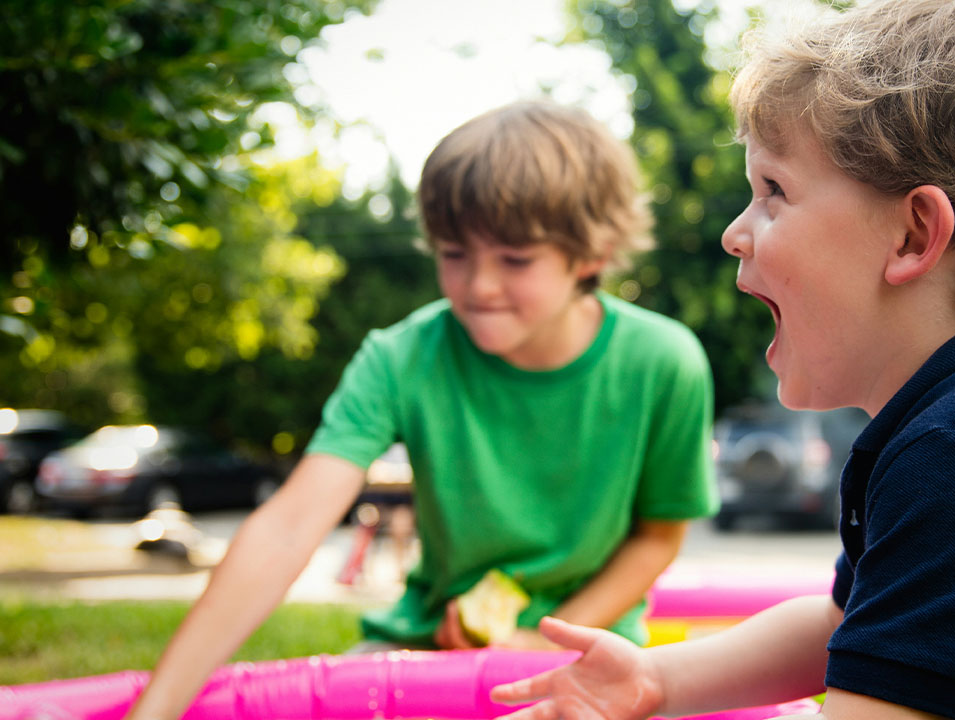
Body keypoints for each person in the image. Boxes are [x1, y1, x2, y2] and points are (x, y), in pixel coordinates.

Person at [489, 1, 955, 718]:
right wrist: (657, 681)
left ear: (913, 236)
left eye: (774, 191)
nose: (736, 232)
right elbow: (841, 626)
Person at [124, 100, 718, 720]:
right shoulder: (400, 357)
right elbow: (288, 526)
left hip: (592, 655)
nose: (478, 285)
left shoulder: (664, 362)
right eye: (453, 253)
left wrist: (542, 639)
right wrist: (157, 710)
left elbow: (656, 536)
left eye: (515, 259)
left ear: (592, 254)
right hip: (425, 646)